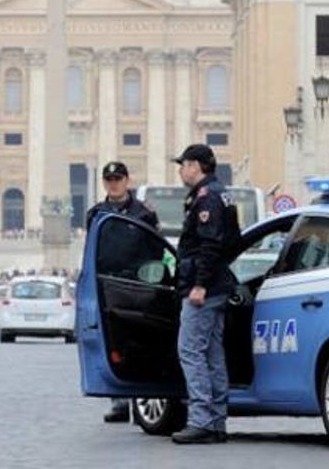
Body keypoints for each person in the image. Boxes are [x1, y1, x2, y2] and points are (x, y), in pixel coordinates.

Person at [170, 144, 239, 445]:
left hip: (203, 288)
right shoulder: (222, 193)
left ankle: (201, 420)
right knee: (212, 354)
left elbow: (209, 245)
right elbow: (233, 241)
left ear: (195, 166)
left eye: (183, 165)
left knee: (190, 351)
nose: (181, 171)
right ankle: (216, 420)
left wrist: (199, 284)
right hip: (218, 283)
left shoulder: (206, 197)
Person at [84, 161, 159, 425]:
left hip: (137, 285)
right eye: (109, 180)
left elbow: (154, 249)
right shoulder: (95, 213)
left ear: (127, 181)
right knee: (112, 342)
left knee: (138, 341)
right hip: (106, 285)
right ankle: (118, 400)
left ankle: (139, 397)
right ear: (104, 183)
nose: (114, 184)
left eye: (118, 179)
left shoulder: (144, 213)